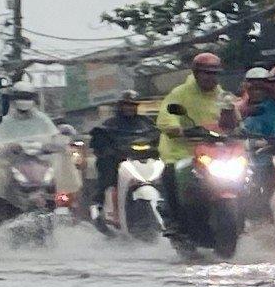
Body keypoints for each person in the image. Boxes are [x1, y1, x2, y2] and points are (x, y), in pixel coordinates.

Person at [155, 52, 236, 225]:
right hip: (181, 152)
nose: (210, 77)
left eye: (214, 73)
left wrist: (237, 125)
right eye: (206, 73)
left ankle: (248, 216)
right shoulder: (180, 93)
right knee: (171, 176)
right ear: (196, 73)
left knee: (246, 174)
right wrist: (175, 128)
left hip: (214, 153)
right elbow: (166, 115)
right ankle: (174, 221)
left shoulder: (223, 96)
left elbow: (235, 123)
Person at [88, 90, 155, 220]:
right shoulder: (109, 125)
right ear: (120, 106)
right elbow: (98, 140)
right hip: (118, 162)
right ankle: (100, 205)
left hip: (144, 161)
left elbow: (157, 136)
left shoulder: (146, 123)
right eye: (126, 105)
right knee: (107, 172)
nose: (130, 108)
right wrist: (107, 150)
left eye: (132, 105)